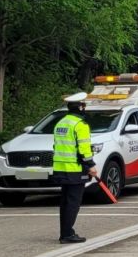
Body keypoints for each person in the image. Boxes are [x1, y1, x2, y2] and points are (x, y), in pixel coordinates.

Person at [52, 92, 98, 244]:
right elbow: (84, 149)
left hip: (60, 168)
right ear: (80, 107)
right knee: (73, 203)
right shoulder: (80, 125)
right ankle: (67, 235)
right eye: (83, 105)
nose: (84, 108)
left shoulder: (61, 123)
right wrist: (91, 166)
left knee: (65, 202)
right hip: (75, 169)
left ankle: (64, 232)